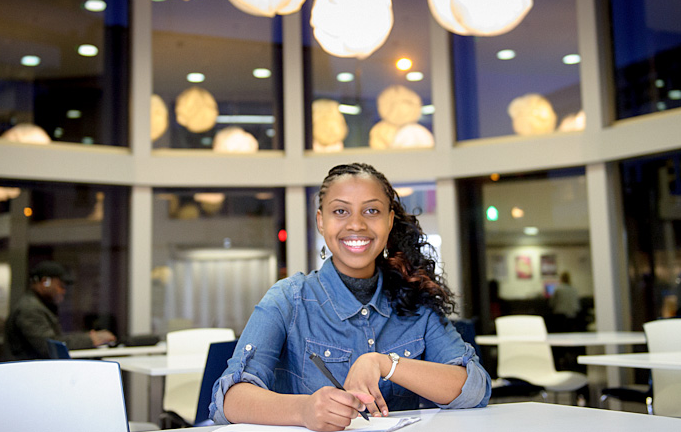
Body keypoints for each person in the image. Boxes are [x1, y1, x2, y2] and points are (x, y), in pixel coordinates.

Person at [210, 163, 491, 431]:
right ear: (321, 221)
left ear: (389, 221)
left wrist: (384, 363)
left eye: (371, 210)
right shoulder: (288, 299)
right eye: (341, 211)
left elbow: (475, 389)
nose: (356, 224)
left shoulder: (415, 302)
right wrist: (303, 410)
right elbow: (228, 400)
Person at [2, 260, 116, 360]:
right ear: (44, 282)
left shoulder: (36, 306)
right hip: (27, 375)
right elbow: (49, 346)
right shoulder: (30, 309)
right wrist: (91, 339)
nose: (63, 291)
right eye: (60, 286)